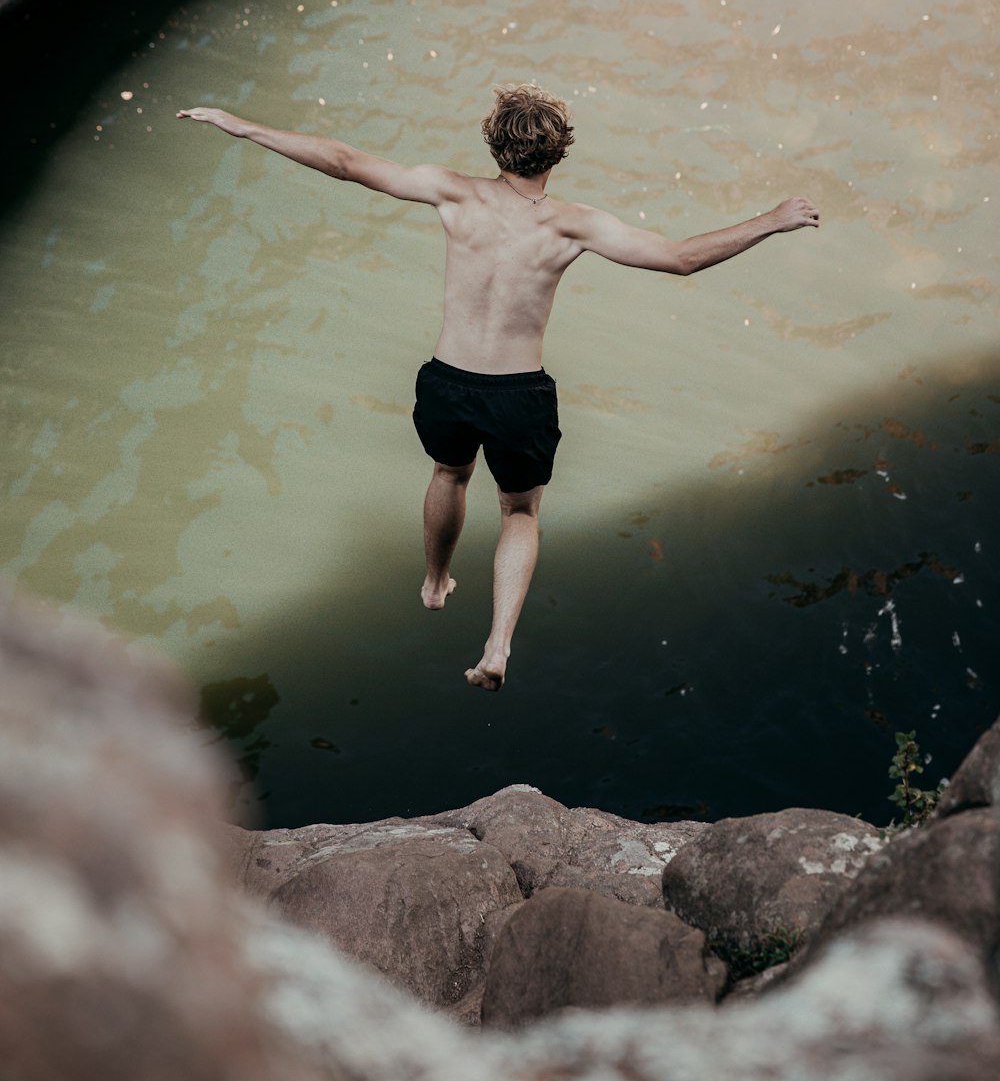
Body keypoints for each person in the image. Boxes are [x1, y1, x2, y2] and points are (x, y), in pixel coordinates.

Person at [177, 85, 819, 691]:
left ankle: (434, 583)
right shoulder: (573, 224)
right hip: (518, 393)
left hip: (449, 382)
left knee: (449, 474)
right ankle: (497, 647)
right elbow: (680, 257)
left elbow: (343, 161)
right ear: (560, 149)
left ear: (493, 145)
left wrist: (242, 126)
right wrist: (772, 219)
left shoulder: (452, 193)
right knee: (518, 512)